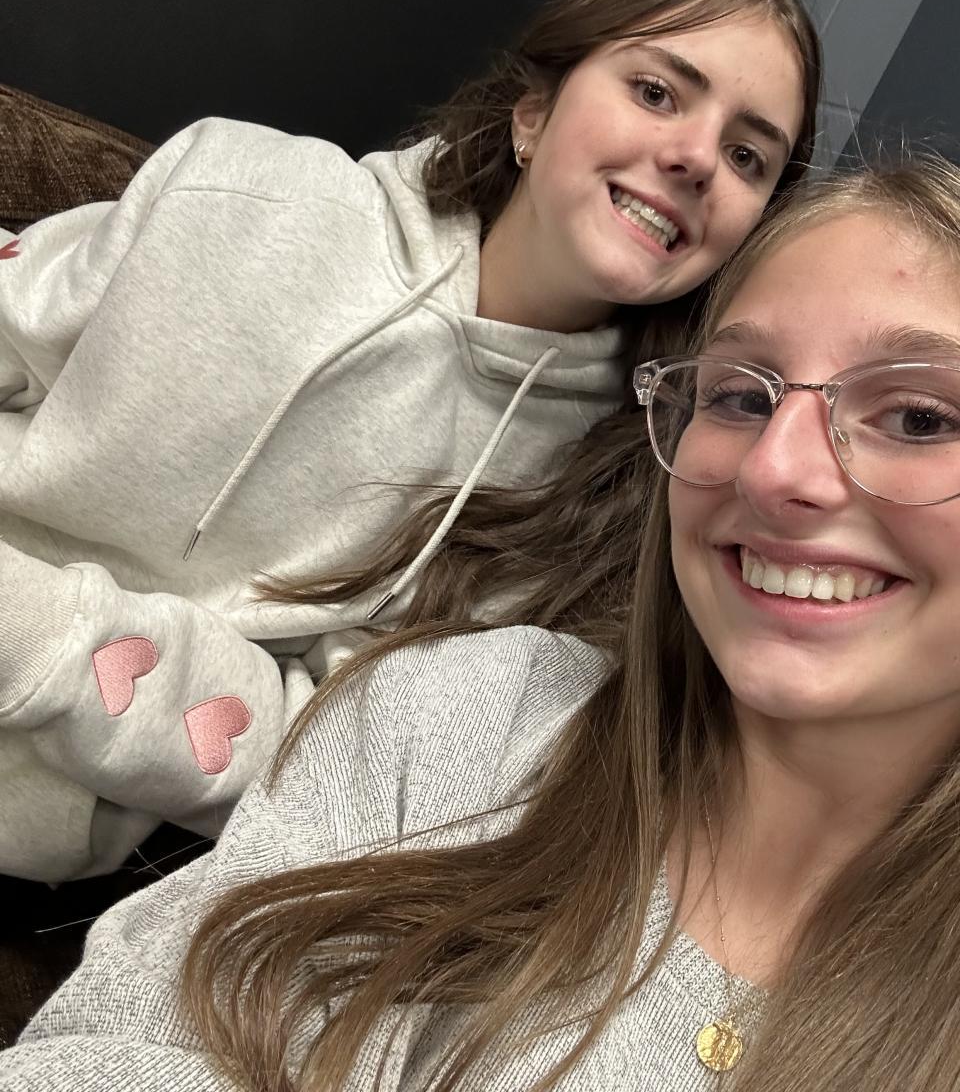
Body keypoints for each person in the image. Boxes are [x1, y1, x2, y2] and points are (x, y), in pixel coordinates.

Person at [3, 151, 959, 1091]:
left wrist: (55, 645)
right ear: (531, 115)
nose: (771, 468)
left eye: (920, 418)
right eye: (740, 396)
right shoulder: (466, 714)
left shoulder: (562, 501)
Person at [0, 0, 818, 883]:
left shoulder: (610, 500)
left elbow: (318, 753)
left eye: (747, 156)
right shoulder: (246, 185)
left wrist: (36, 635)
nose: (695, 158)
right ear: (534, 112)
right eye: (658, 92)